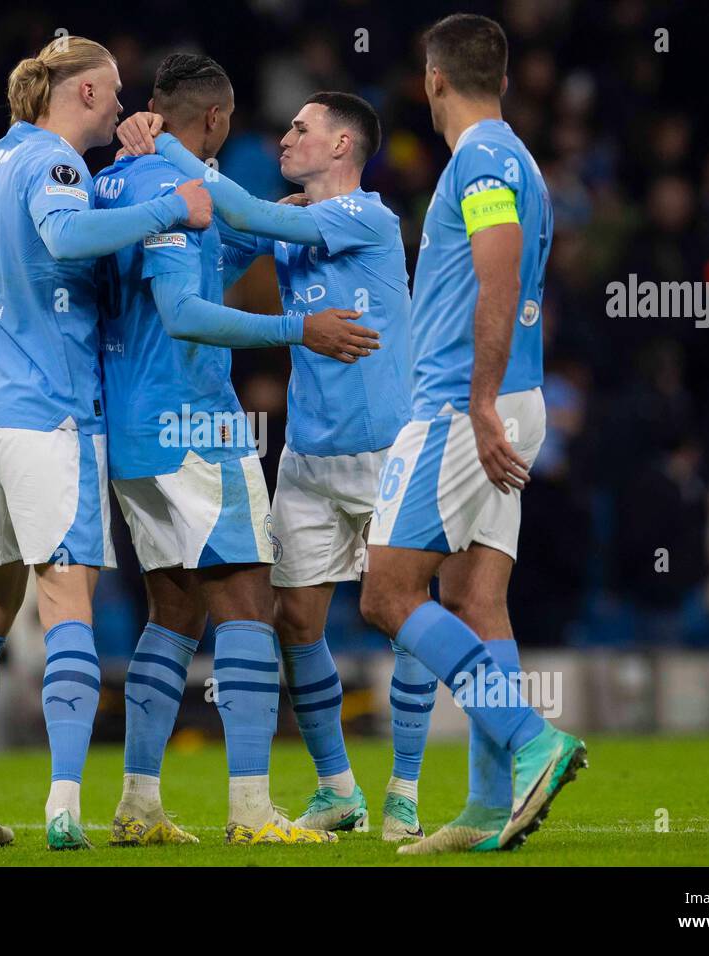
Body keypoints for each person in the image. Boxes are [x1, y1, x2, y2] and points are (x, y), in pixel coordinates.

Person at [118, 90, 432, 840]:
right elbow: (226, 238)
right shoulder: (293, 228)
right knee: (293, 620)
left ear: (343, 148)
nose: (285, 136)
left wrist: (159, 140)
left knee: (404, 615)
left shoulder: (368, 217)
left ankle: (407, 791)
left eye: (301, 128)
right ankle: (337, 789)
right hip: (308, 458)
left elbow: (248, 213)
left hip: (391, 449)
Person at [0, 36, 212, 852]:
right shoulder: (58, 166)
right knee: (66, 603)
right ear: (82, 93)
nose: (124, 105)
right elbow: (62, 237)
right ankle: (62, 806)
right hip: (47, 410)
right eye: (115, 92)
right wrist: (170, 206)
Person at [357, 13, 585, 855]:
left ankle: (531, 737)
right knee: (477, 599)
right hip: (511, 396)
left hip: (463, 404)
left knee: (386, 593)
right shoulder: (521, 159)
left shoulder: (481, 158)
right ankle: (493, 806)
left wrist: (480, 399)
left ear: (433, 79)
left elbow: (498, 264)